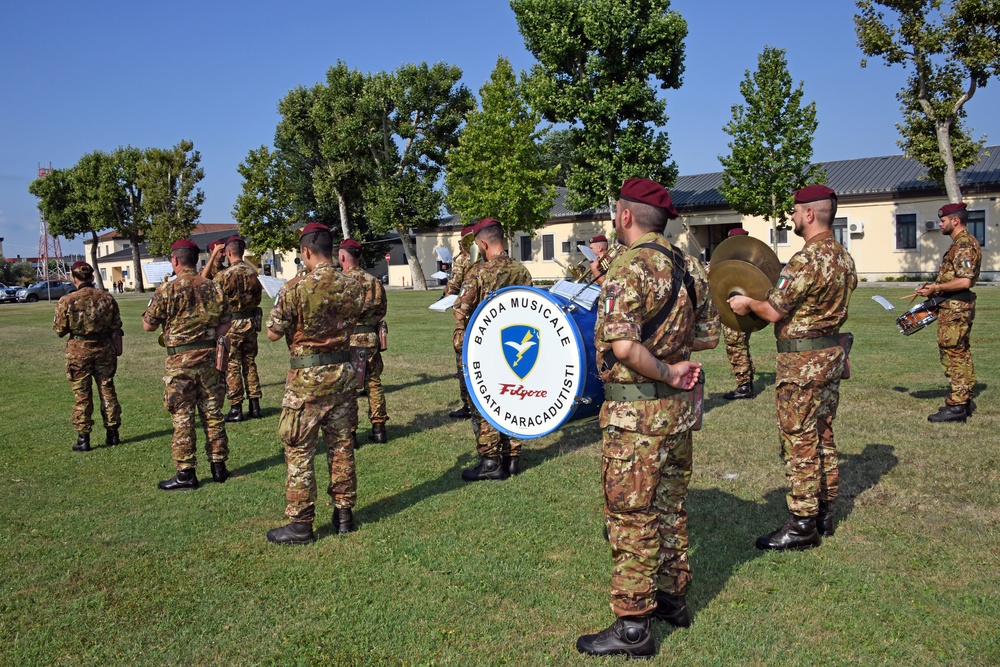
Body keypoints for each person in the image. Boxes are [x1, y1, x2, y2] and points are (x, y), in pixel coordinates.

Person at [576, 178, 719, 659]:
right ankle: (673, 600)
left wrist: (665, 369)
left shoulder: (627, 269)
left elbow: (623, 346)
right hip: (675, 416)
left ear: (624, 216)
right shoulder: (690, 267)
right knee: (670, 507)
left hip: (635, 414)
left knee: (632, 516)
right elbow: (709, 337)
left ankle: (634, 625)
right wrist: (676, 359)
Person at [729, 184, 857, 551]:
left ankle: (802, 525)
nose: (793, 217)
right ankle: (825, 512)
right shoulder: (844, 257)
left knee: (799, 440)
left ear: (810, 214)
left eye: (796, 211)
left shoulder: (806, 259)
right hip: (830, 358)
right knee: (824, 434)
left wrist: (746, 302)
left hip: (801, 364)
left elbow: (772, 310)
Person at [264, 223, 364, 544]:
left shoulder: (295, 289)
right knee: (341, 445)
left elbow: (272, 332)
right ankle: (344, 514)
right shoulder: (353, 286)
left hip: (307, 382)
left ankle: (301, 524)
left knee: (299, 449)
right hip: (343, 377)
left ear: (306, 252)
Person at [142, 238, 232, 490]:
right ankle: (218, 467)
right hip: (208, 360)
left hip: (179, 363)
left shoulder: (166, 289)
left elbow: (148, 325)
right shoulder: (212, 287)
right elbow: (226, 322)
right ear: (196, 259)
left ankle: (186, 473)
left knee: (183, 418)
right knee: (213, 414)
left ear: (175, 260)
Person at [453, 217, 532, 481]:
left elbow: (460, 309)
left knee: (484, 400)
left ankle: (490, 461)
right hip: (513, 347)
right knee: (512, 398)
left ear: (483, 243)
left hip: (484, 347)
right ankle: (512, 458)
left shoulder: (478, 272)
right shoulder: (522, 271)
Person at [915, 202, 981, 423]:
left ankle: (957, 406)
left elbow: (964, 280)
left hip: (955, 310)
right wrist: (933, 291)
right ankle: (964, 399)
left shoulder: (963, 245)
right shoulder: (961, 244)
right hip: (954, 307)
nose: (940, 224)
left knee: (953, 354)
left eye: (943, 220)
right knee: (961, 352)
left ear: (955, 221)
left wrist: (937, 288)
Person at [53, 261, 124, 451]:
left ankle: (83, 438)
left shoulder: (67, 300)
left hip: (79, 350)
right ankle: (113, 433)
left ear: (74, 278)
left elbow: (59, 330)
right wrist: (117, 346)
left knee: (82, 395)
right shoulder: (107, 298)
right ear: (92, 277)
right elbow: (116, 326)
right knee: (107, 389)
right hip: (104, 348)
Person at [339, 238, 390, 444]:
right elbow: (381, 311)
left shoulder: (340, 282)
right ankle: (379, 429)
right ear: (360, 257)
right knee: (373, 382)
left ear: (342, 257)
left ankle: (350, 433)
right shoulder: (373, 281)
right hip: (370, 337)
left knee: (349, 387)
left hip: (348, 339)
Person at [214, 236, 265, 423]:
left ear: (228, 253)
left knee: (233, 366)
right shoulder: (253, 274)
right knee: (250, 363)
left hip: (232, 325)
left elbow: (215, 301)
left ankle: (236, 407)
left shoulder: (224, 276)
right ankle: (255, 405)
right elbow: (258, 298)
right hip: (250, 323)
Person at [720, 227, 756, 400]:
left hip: (737, 310)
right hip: (748, 309)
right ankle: (747, 381)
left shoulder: (732, 261)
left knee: (736, 345)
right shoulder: (753, 259)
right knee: (741, 345)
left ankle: (744, 386)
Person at [446, 225, 475, 419]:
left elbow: (452, 288)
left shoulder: (463, 261)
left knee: (463, 362)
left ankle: (468, 405)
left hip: (465, 318)